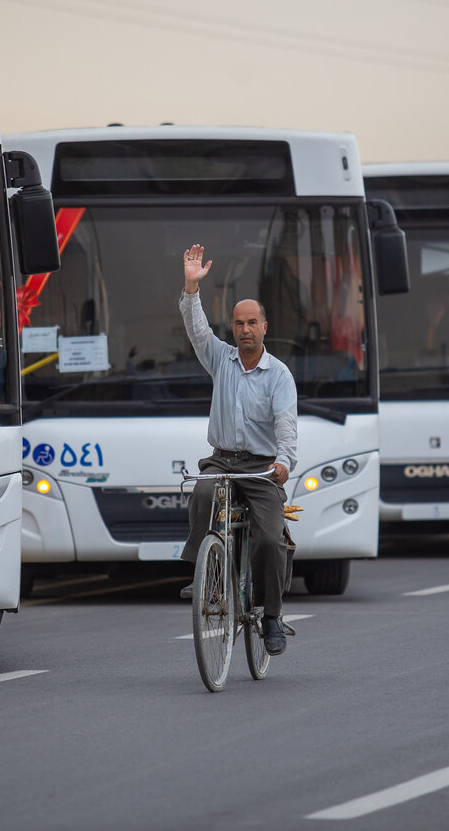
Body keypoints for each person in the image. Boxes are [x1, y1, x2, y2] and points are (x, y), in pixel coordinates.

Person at [178, 243, 298, 655]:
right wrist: (192, 289)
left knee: (268, 538)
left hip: (263, 469)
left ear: (264, 326)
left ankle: (270, 617)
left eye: (252, 323)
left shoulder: (279, 375)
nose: (244, 329)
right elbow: (197, 331)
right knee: (203, 491)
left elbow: (286, 428)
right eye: (238, 323)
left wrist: (284, 463)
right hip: (223, 460)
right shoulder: (220, 359)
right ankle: (202, 571)